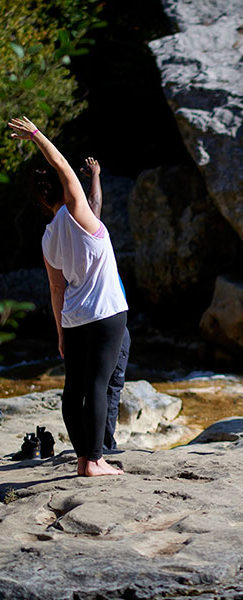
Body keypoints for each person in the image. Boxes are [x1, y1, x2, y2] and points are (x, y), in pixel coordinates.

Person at [9, 116, 127, 476]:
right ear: (64, 190)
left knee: (73, 386)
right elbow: (60, 164)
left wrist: (60, 332)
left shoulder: (49, 236)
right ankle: (95, 460)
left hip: (74, 317)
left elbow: (55, 288)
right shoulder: (81, 215)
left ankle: (81, 458)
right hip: (106, 313)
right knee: (98, 385)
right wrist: (36, 135)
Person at [80, 157, 131, 452]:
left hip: (81, 319)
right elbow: (95, 203)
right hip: (111, 318)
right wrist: (96, 175)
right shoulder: (94, 237)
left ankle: (90, 445)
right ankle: (104, 447)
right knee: (111, 385)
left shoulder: (57, 236)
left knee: (90, 384)